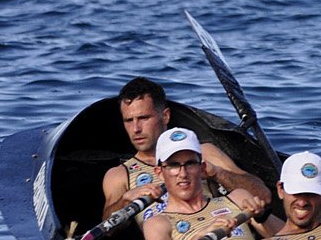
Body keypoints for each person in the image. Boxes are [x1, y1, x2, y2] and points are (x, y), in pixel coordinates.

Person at [100, 77, 269, 219]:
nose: (136, 129)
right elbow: (108, 230)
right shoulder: (119, 175)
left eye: (143, 118)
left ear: (165, 116)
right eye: (129, 121)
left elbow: (264, 196)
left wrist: (218, 173)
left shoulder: (204, 153)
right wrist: (125, 201)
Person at [139, 128, 272, 240]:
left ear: (202, 168)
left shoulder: (237, 197)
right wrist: (200, 238)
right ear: (159, 172)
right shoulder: (158, 222)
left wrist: (263, 217)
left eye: (190, 163)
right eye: (173, 165)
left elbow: (287, 238)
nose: (183, 173)